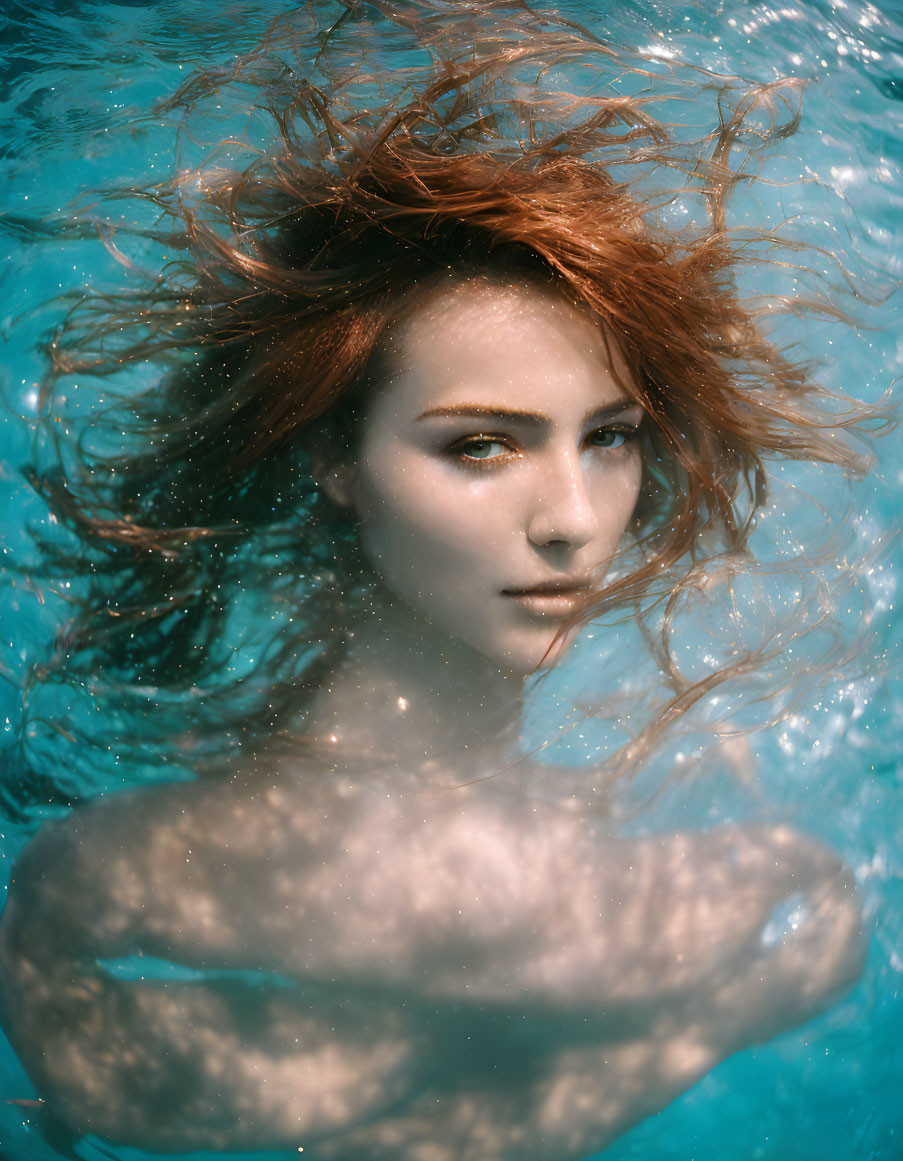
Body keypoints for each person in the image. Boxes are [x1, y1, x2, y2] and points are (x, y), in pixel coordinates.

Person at [0, 4, 877, 1158]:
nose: (574, 521)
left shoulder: (532, 853)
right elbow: (56, 953)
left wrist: (556, 1091)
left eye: (609, 437)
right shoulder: (217, 865)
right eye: (480, 446)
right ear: (334, 462)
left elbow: (819, 923)